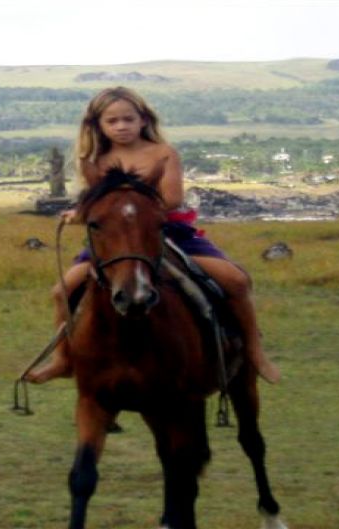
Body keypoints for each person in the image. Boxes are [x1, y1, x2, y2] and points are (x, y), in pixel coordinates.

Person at [26, 86, 281, 384]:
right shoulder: (96, 161)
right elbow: (97, 204)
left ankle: (253, 351)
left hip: (166, 230)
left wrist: (135, 211)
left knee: (236, 280)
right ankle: (62, 359)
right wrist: (80, 214)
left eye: (128, 119)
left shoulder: (163, 153)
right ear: (98, 125)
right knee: (62, 291)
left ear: (143, 120)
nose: (121, 126)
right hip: (117, 239)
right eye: (112, 121)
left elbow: (171, 199)